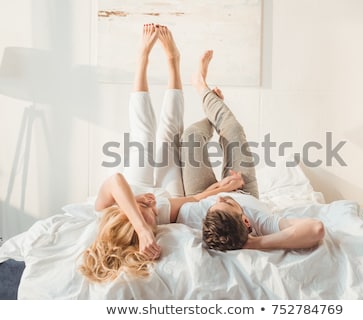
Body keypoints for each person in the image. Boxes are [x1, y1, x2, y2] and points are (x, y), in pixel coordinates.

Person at [79, 24, 243, 282]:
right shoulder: (159, 213)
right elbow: (196, 199)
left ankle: (142, 58)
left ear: (128, 215)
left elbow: (115, 181)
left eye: (145, 207)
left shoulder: (105, 209)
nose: (152, 205)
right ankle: (173, 61)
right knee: (170, 136)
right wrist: (223, 188)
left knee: (144, 133)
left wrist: (143, 225)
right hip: (168, 192)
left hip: (134, 184)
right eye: (153, 215)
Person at [177, 50, 325, 251]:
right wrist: (256, 242)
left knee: (191, 137)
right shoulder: (261, 219)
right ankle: (204, 90)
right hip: (244, 188)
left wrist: (216, 193)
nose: (221, 198)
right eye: (228, 204)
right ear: (246, 221)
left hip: (202, 194)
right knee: (234, 130)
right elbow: (316, 229)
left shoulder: (197, 214)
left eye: (216, 205)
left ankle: (210, 105)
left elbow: (174, 206)